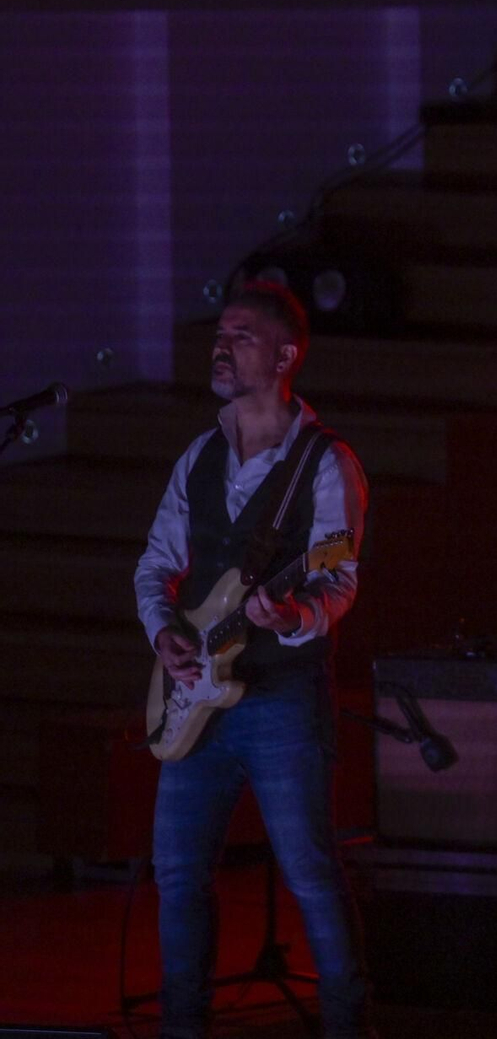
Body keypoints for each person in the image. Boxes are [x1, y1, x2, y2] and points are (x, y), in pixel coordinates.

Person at [134, 280, 375, 1038]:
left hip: (281, 698)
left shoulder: (328, 463)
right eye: (221, 333)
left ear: (284, 355)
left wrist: (296, 613)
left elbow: (337, 577)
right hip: (193, 699)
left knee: (308, 869)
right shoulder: (200, 456)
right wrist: (162, 630)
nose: (222, 343)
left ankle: (349, 1027)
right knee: (178, 877)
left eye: (240, 334)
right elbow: (155, 565)